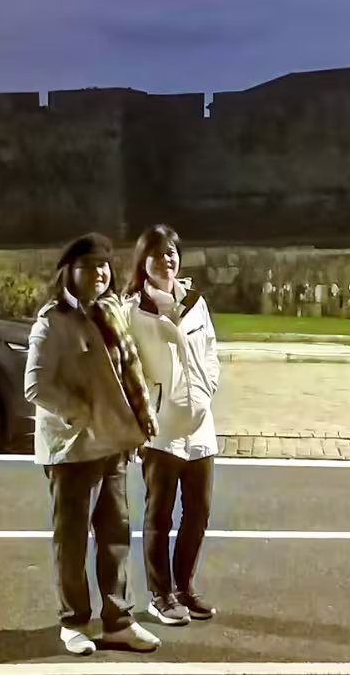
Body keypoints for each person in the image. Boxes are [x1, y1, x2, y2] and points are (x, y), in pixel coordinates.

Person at [24, 232, 162, 656]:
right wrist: (80, 412)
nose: (100, 272)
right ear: (70, 272)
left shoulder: (112, 313)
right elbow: (35, 386)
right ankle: (74, 622)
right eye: (89, 266)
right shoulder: (53, 322)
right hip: (72, 450)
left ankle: (119, 620)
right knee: (72, 539)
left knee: (116, 534)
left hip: (111, 445)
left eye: (104, 265)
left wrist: (129, 422)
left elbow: (127, 374)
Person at [124, 224, 222, 626]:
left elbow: (211, 351)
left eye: (173, 252)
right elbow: (126, 369)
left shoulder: (195, 302)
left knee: (198, 512)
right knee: (159, 515)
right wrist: (145, 411)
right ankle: (159, 595)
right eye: (159, 252)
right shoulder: (133, 310)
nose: (168, 258)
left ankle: (184, 587)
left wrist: (207, 387)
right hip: (160, 429)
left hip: (200, 424)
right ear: (143, 261)